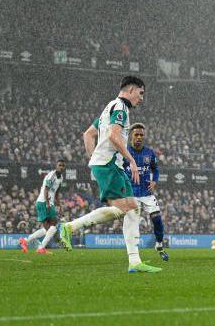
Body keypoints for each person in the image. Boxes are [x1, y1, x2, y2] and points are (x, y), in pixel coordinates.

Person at [59, 75, 161, 273]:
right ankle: (70, 227)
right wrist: (130, 160)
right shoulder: (121, 108)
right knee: (128, 209)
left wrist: (94, 158)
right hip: (110, 165)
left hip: (109, 164)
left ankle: (135, 262)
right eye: (140, 93)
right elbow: (114, 136)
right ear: (130, 90)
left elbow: (88, 134)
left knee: (132, 208)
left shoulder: (109, 106)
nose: (141, 98)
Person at [123, 123, 168, 262]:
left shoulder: (149, 153)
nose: (139, 137)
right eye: (136, 134)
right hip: (131, 194)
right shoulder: (124, 152)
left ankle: (159, 245)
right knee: (132, 224)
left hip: (147, 193)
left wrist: (154, 181)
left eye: (141, 135)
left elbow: (156, 169)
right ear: (131, 135)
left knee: (157, 219)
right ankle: (134, 255)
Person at [20, 160, 66, 254]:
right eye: (59, 165)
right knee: (52, 228)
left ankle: (26, 241)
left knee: (50, 228)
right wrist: (48, 203)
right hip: (43, 202)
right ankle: (41, 248)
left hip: (50, 203)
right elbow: (46, 190)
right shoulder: (51, 175)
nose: (61, 167)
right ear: (56, 166)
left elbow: (56, 192)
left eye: (63, 166)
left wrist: (59, 205)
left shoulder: (60, 178)